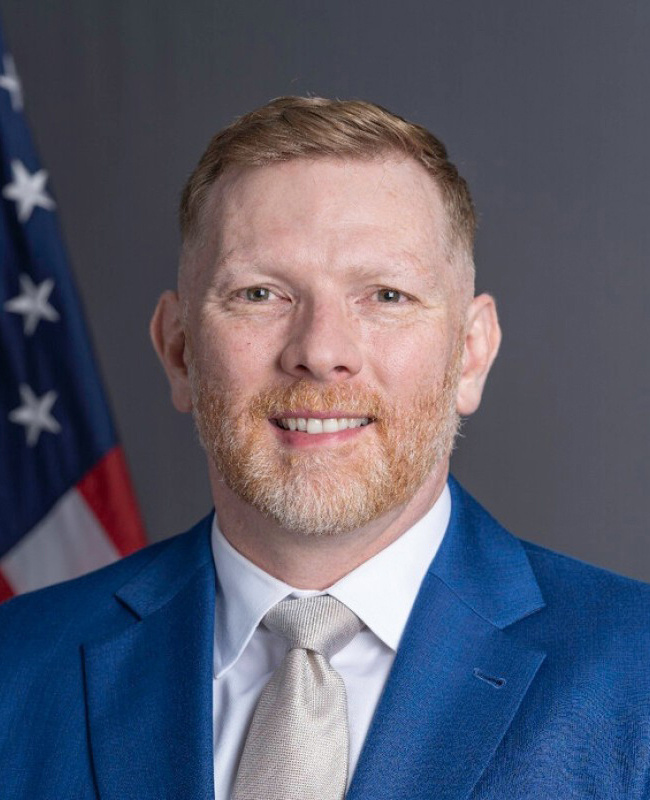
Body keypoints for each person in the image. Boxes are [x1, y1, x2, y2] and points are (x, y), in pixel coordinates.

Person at [1, 96, 649, 800]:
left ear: (469, 353)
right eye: (260, 293)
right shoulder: (16, 670)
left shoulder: (636, 674)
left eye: (386, 296)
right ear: (179, 350)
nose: (320, 352)